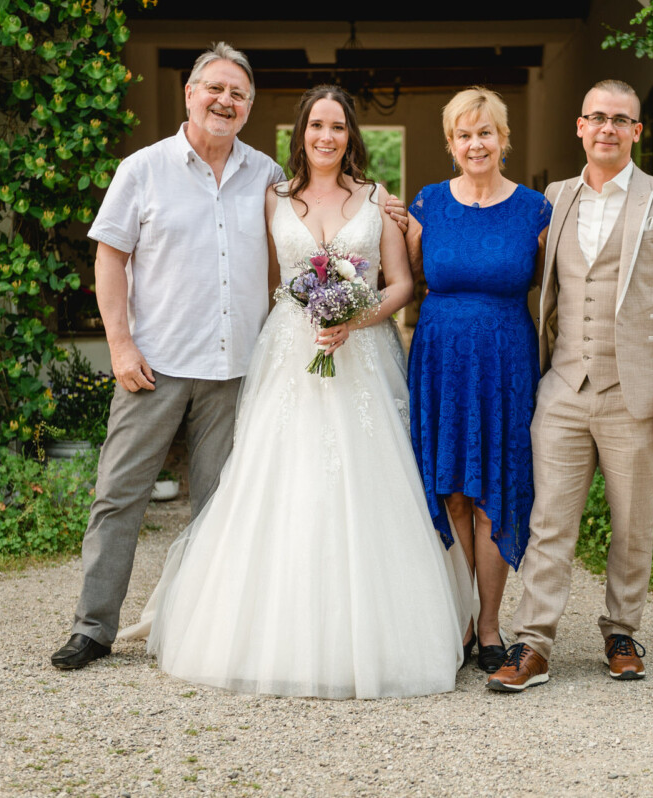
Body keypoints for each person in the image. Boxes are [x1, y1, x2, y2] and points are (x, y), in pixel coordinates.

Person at [119, 85, 471, 699]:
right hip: (289, 352)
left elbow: (402, 284)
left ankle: (382, 635)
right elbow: (264, 279)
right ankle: (266, 631)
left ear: (351, 135)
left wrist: (356, 317)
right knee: (276, 478)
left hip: (361, 355)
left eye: (337, 126)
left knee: (368, 485)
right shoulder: (271, 198)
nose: (326, 137)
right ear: (301, 134)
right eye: (316, 126)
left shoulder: (376, 200)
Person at [50, 42, 285, 671]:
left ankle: (204, 630)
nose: (224, 101)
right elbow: (110, 258)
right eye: (214, 88)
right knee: (119, 495)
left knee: (219, 505)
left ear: (250, 106)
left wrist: (384, 207)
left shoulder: (264, 174)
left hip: (235, 369)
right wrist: (119, 346)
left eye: (238, 93)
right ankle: (93, 627)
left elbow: (314, 217)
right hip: (152, 366)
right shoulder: (142, 169)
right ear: (189, 93)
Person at [487, 79, 653, 691]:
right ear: (579, 127)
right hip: (561, 385)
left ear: (638, 132)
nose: (607, 128)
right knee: (548, 521)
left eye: (620, 120)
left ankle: (622, 632)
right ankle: (534, 644)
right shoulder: (552, 198)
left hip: (633, 390)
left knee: (632, 521)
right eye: (596, 118)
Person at [405, 88, 551, 673]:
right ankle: (459, 617)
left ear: (503, 139)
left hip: (505, 362)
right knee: (453, 492)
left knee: (496, 494)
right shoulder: (427, 205)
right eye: (464, 135)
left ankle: (489, 625)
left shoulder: (537, 210)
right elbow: (406, 275)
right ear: (450, 144)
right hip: (440, 359)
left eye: (485, 133)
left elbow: (546, 283)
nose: (475, 144)